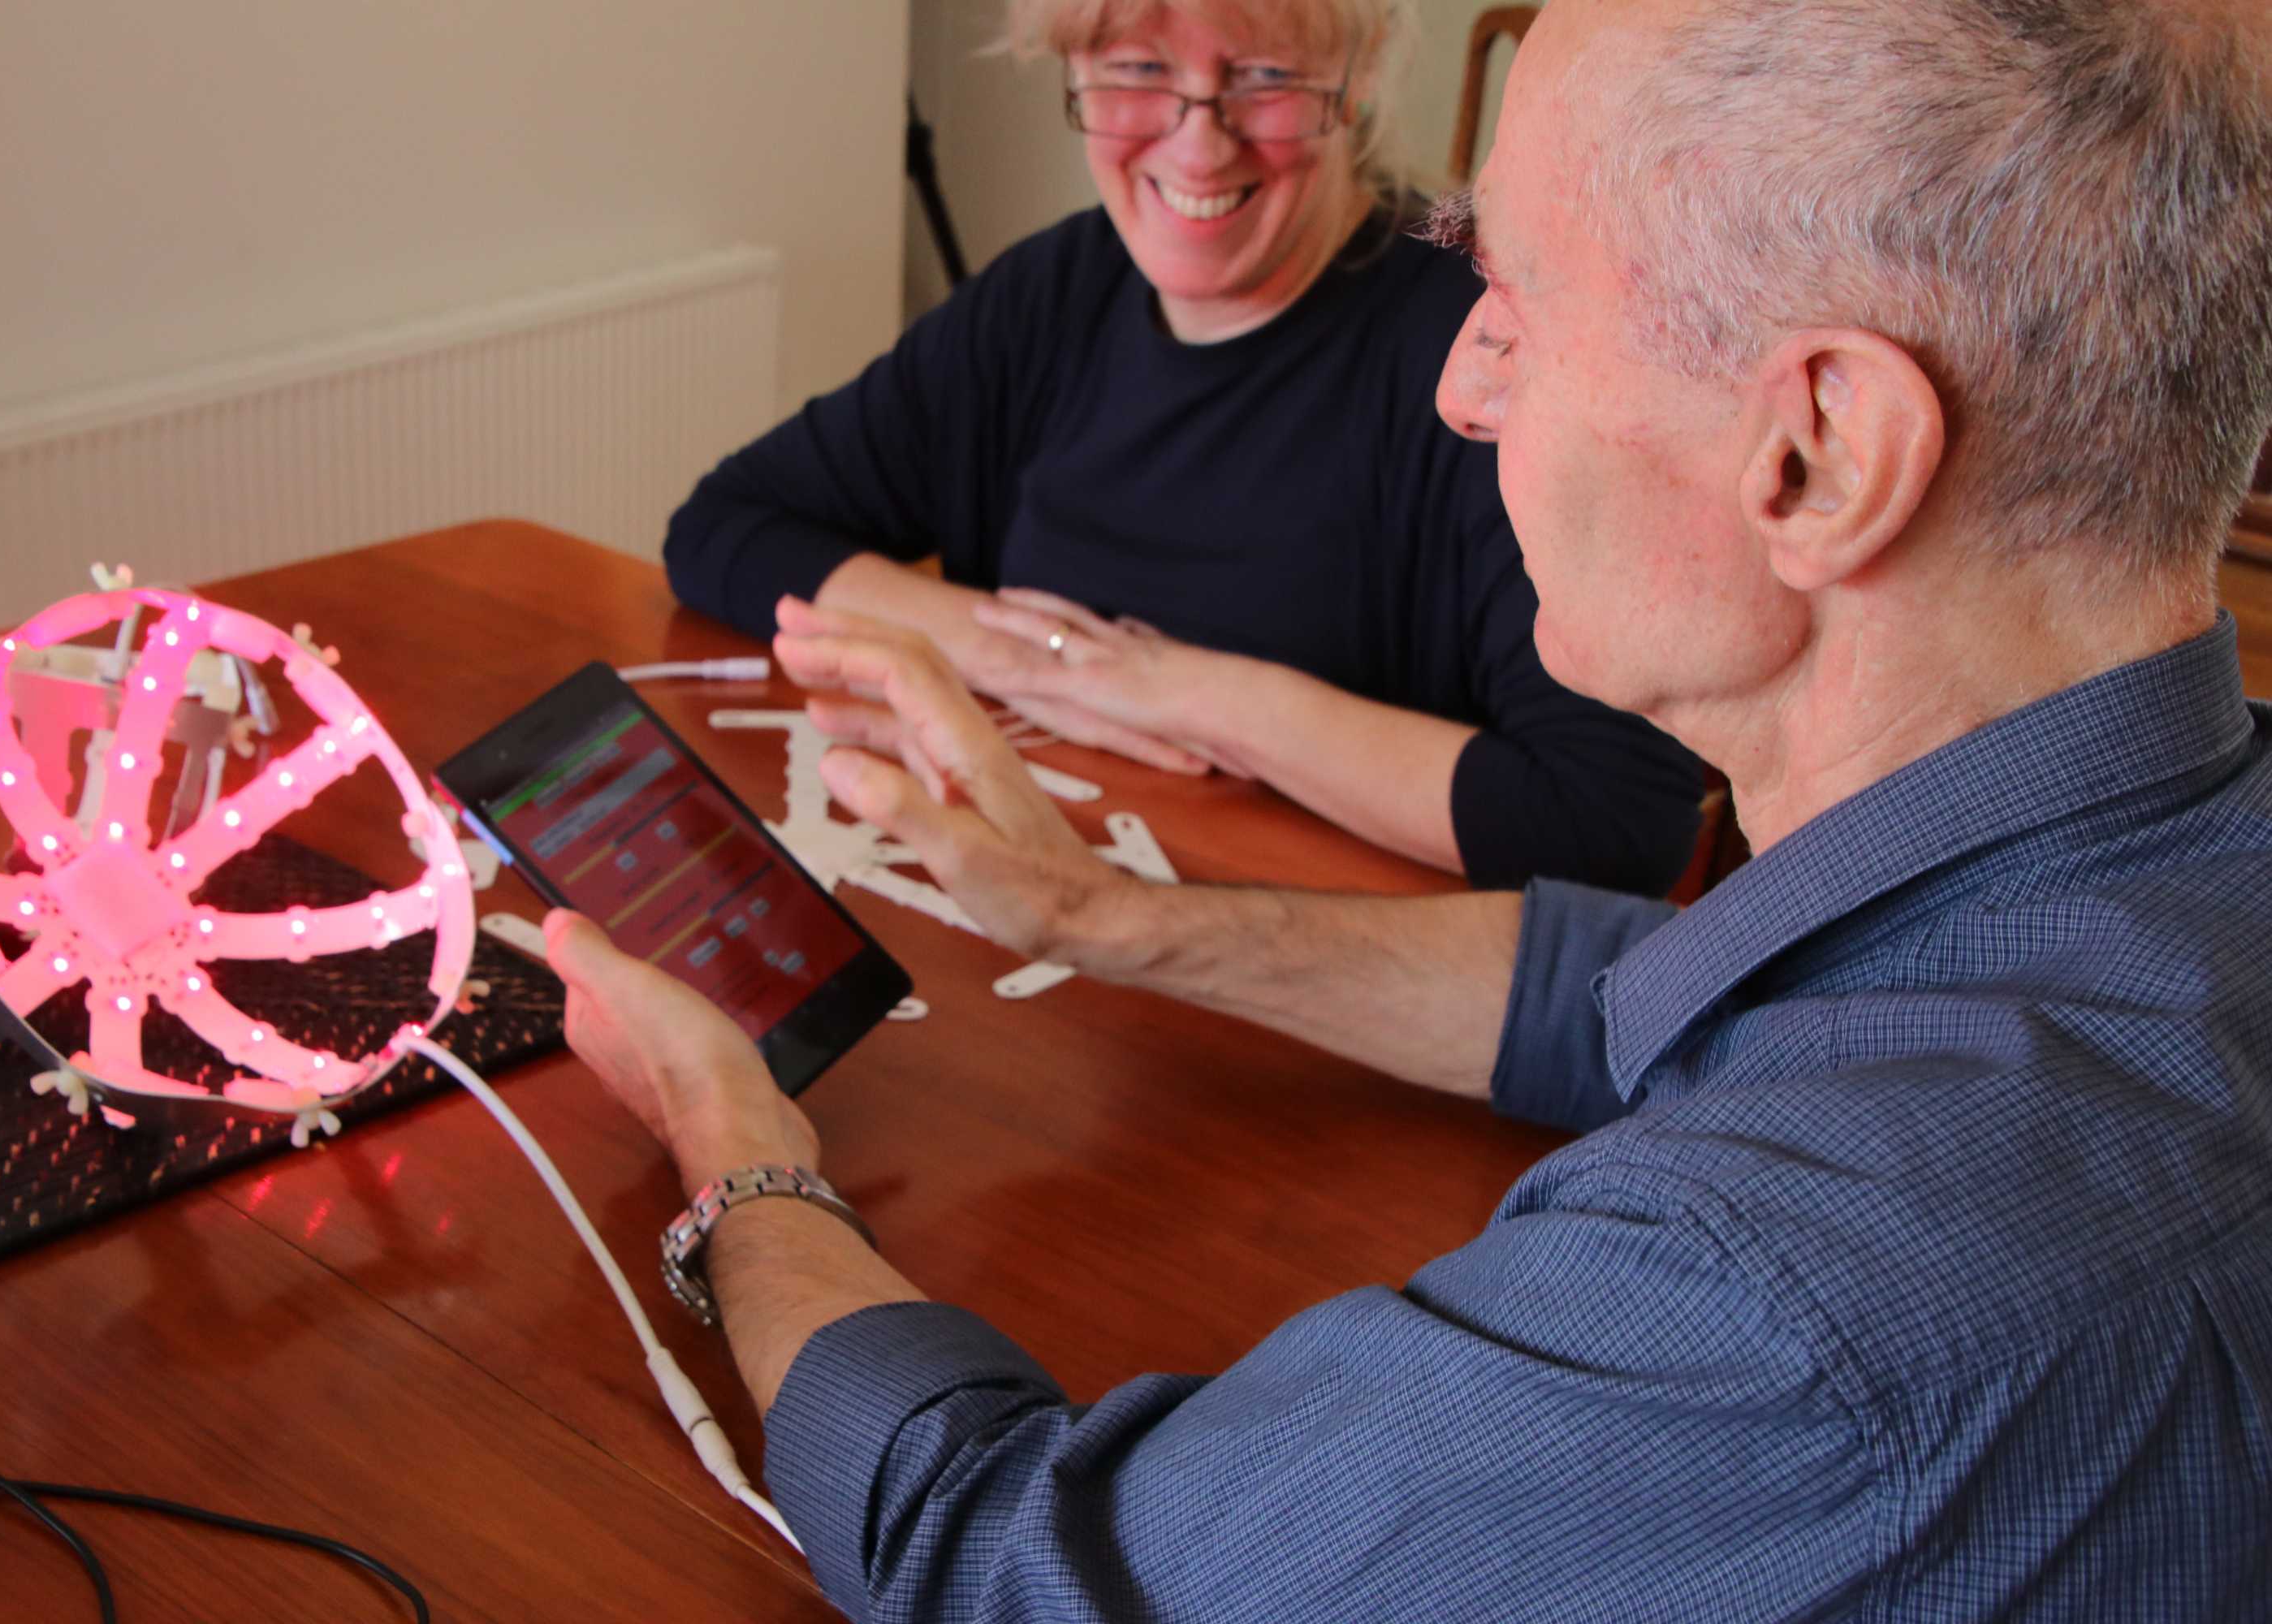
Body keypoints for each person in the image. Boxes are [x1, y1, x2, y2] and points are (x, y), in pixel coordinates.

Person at [550, 0, 2272, 1613]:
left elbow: (1012, 1565)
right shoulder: (2156, 852)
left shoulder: (1767, 1307)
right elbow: (1628, 989)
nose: (1464, 384)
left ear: (1816, 451)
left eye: (1518, 303)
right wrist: (1104, 917)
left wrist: (744, 1162)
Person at [659, 0, 1703, 889]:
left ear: (1360, 80)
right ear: (1071, 73)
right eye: (1138, 73)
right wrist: (1019, 657)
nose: (1198, 144)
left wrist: (1199, 695)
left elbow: (1612, 829)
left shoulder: (1486, 357)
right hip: (1050, 921)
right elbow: (724, 529)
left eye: (1263, 78)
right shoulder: (1049, 297)